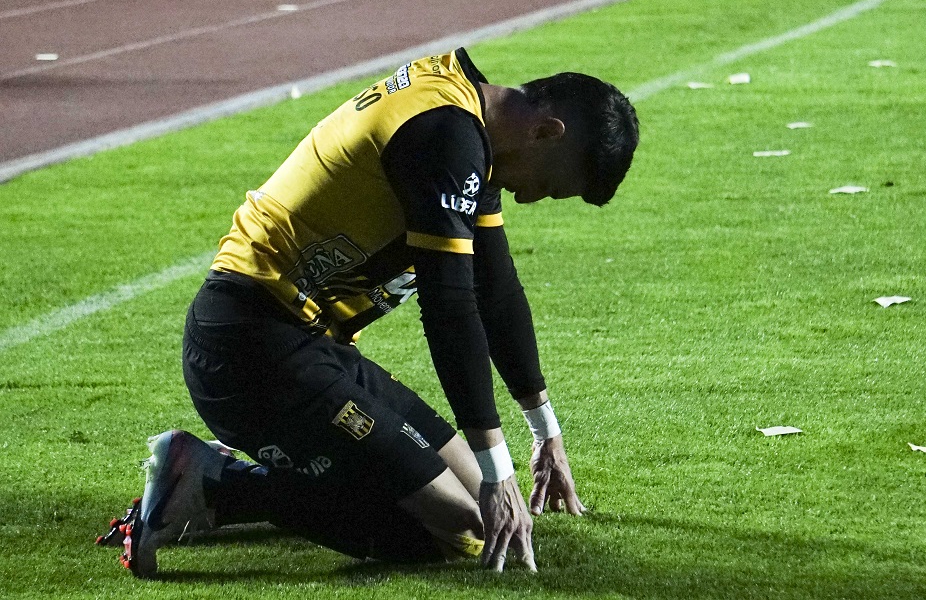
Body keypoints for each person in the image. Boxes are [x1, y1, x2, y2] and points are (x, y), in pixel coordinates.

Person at [103, 48, 639, 577]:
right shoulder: (445, 136)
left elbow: (494, 291)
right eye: (547, 186)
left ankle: (279, 465)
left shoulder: (465, 125)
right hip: (250, 348)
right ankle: (218, 485)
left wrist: (545, 431)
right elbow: (451, 309)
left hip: (310, 346)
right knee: (465, 527)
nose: (528, 199)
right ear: (546, 132)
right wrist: (501, 471)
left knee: (476, 498)